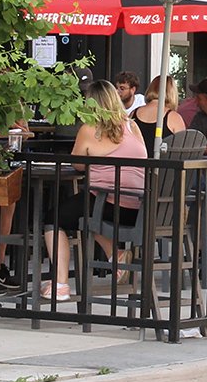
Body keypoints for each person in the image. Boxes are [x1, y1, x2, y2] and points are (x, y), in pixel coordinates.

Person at [41, 81, 148, 301]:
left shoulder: (90, 129)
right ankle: (116, 256)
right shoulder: (132, 126)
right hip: (138, 207)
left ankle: (60, 283)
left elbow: (78, 163)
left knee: (54, 218)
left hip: (108, 203)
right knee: (87, 212)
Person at [130, 75, 187, 156]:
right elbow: (183, 149)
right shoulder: (174, 117)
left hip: (136, 165)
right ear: (172, 93)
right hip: (163, 166)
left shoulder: (133, 113)